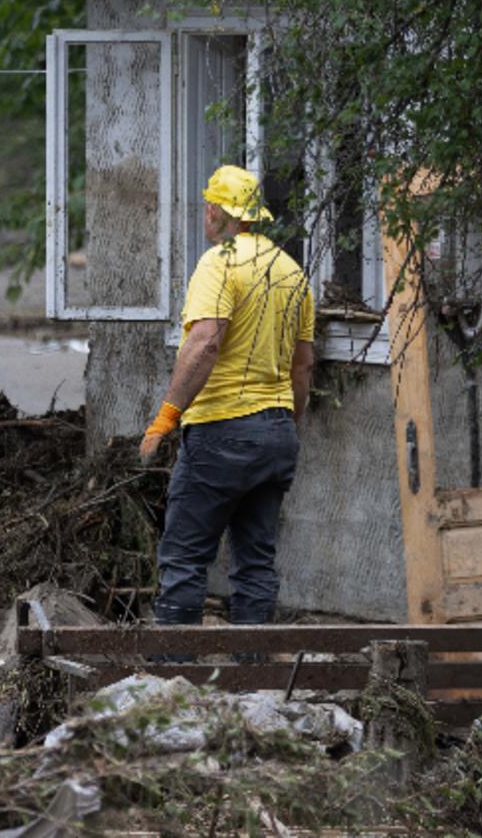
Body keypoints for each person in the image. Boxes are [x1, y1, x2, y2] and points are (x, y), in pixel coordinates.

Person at [138, 164, 316, 633]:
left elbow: (204, 344)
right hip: (276, 433)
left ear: (217, 212)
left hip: (221, 431)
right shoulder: (292, 271)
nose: (206, 215)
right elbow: (303, 367)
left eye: (208, 207)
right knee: (256, 563)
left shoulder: (220, 262)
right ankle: (251, 669)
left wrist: (166, 417)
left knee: (184, 557)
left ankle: (174, 669)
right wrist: (285, 425)